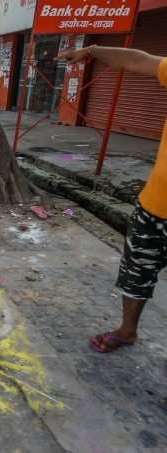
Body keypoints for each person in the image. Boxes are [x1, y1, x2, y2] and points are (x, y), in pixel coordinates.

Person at [57, 46, 167, 353]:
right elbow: (137, 59)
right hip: (153, 206)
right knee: (136, 272)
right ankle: (127, 330)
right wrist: (92, 50)